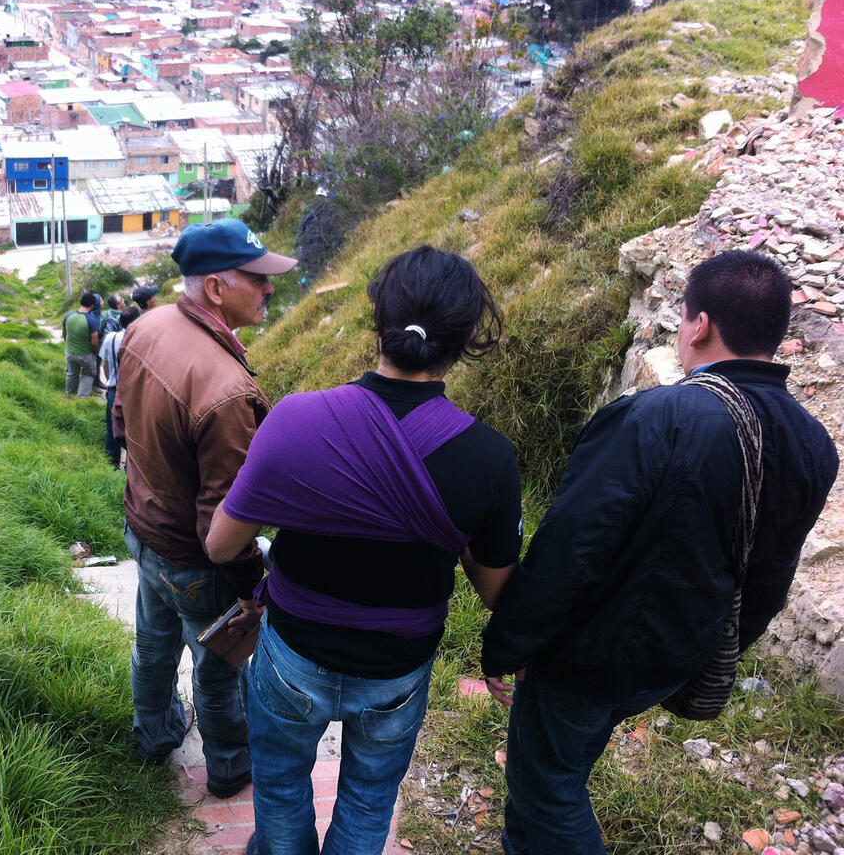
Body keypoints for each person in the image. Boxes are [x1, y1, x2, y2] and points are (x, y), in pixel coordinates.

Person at [480, 249, 838, 855]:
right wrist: (710, 646)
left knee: (547, 788)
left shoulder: (660, 416)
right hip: (677, 655)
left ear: (700, 326)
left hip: (592, 658)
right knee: (557, 776)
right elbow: (772, 577)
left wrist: (509, 641)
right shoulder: (814, 443)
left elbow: (573, 546)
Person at [207, 246, 523, 855]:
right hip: (397, 670)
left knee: (278, 788)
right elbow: (494, 590)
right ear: (467, 338)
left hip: (294, 652)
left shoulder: (296, 421)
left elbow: (223, 545)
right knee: (369, 800)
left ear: (377, 319)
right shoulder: (490, 459)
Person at [112, 219, 297, 799]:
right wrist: (249, 588)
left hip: (142, 529)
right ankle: (230, 769)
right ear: (216, 288)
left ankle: (155, 734)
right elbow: (223, 520)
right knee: (218, 668)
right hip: (192, 559)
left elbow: (119, 421)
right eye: (257, 278)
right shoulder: (225, 389)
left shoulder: (145, 327)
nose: (270, 288)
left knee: (152, 644)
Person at [99, 305, 140, 468]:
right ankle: (131, 468)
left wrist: (110, 382)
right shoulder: (142, 339)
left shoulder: (111, 338)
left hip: (114, 390)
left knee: (112, 430)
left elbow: (105, 365)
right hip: (136, 393)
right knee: (135, 432)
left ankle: (111, 464)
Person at [61, 293, 100, 397]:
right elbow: (95, 341)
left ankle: (70, 395)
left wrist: (68, 344)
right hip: (85, 354)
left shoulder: (69, 315)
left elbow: (64, 333)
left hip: (70, 352)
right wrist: (96, 352)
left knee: (72, 373)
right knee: (88, 374)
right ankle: (82, 398)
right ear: (92, 305)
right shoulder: (91, 320)